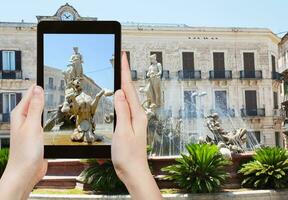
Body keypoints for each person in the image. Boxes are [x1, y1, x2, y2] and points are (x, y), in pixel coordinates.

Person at [0, 52, 163, 200]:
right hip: (80, 127)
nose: (79, 84)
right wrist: (136, 172)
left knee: (91, 137)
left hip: (85, 127)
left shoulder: (84, 94)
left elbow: (91, 107)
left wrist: (17, 176)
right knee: (88, 137)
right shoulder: (74, 91)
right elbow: (76, 107)